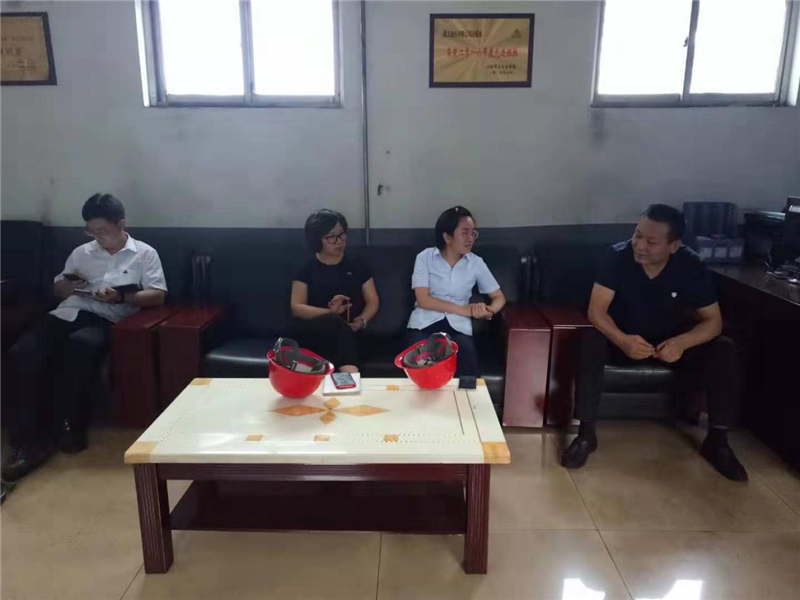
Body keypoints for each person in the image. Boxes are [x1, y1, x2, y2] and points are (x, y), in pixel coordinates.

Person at [561, 204, 747, 481]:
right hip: (624, 340)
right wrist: (623, 340)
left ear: (673, 245)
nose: (640, 246)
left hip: (671, 346)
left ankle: (718, 441)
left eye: (651, 242)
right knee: (590, 340)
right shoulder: (617, 257)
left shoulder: (691, 265)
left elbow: (713, 322)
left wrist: (682, 343)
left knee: (724, 349)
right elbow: (596, 311)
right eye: (637, 235)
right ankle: (586, 434)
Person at [2, 194, 168, 484]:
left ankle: (70, 426)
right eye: (91, 232)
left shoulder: (144, 254)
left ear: (121, 224)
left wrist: (121, 296)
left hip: (107, 318)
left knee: (79, 348)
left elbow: (157, 294)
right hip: (67, 312)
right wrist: (66, 287)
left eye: (103, 231)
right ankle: (25, 441)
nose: (98, 238)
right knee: (23, 351)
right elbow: (58, 288)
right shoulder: (81, 253)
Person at [406, 206, 506, 377]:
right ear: (447, 237)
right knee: (417, 360)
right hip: (423, 324)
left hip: (458, 327)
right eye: (464, 233)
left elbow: (499, 297)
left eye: (473, 233)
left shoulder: (476, 263)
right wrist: (464, 310)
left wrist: (489, 311)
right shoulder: (425, 257)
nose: (470, 238)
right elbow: (423, 300)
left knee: (466, 357)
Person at [290, 209, 379, 373]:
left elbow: (372, 300)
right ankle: (350, 375)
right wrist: (330, 312)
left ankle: (344, 376)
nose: (339, 241)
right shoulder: (306, 268)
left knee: (344, 332)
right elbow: (297, 307)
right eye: (331, 237)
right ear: (317, 240)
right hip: (316, 332)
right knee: (333, 322)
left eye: (342, 234)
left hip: (352, 332)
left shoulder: (357, 264)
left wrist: (361, 321)